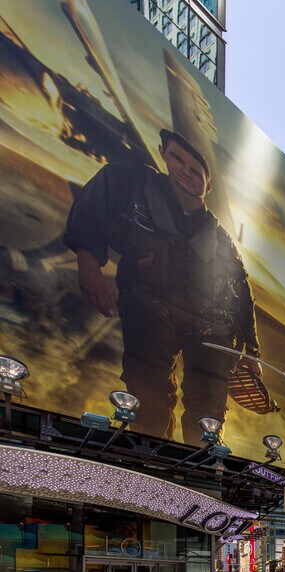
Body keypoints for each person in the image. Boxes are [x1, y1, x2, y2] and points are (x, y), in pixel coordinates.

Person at [64, 129, 261, 445]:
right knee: (149, 406)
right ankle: (151, 464)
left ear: (208, 185)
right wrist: (88, 262)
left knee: (207, 419)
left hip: (210, 332)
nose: (185, 172)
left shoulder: (221, 238)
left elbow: (242, 292)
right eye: (177, 159)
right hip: (150, 312)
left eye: (195, 170)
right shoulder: (133, 184)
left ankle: (200, 469)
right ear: (163, 155)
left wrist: (252, 350)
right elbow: (96, 200)